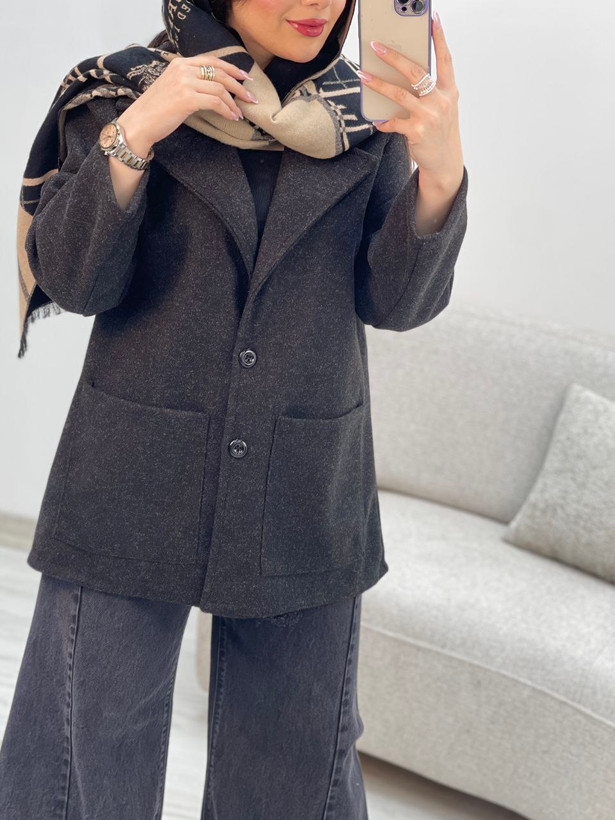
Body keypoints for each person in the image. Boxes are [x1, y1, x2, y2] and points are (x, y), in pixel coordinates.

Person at [2, 0, 468, 817]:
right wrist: (137, 135)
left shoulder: (366, 117)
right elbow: (74, 282)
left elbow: (394, 303)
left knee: (292, 773)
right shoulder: (123, 92)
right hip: (129, 475)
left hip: (304, 483)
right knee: (79, 764)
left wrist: (440, 177)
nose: (318, 3)